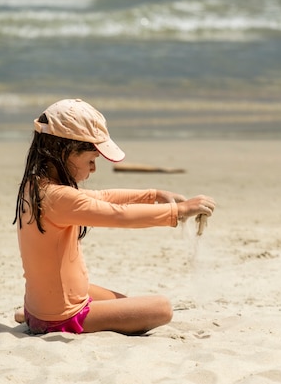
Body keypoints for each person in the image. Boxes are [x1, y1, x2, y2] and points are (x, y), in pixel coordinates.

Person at [12, 98, 216, 335]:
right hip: (65, 317)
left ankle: (33, 316)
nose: (94, 169)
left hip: (41, 307)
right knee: (162, 308)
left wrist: (153, 195)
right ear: (65, 151)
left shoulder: (35, 186)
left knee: (124, 301)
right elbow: (119, 216)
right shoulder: (59, 198)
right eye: (91, 160)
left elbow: (103, 197)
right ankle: (44, 321)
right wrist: (178, 212)